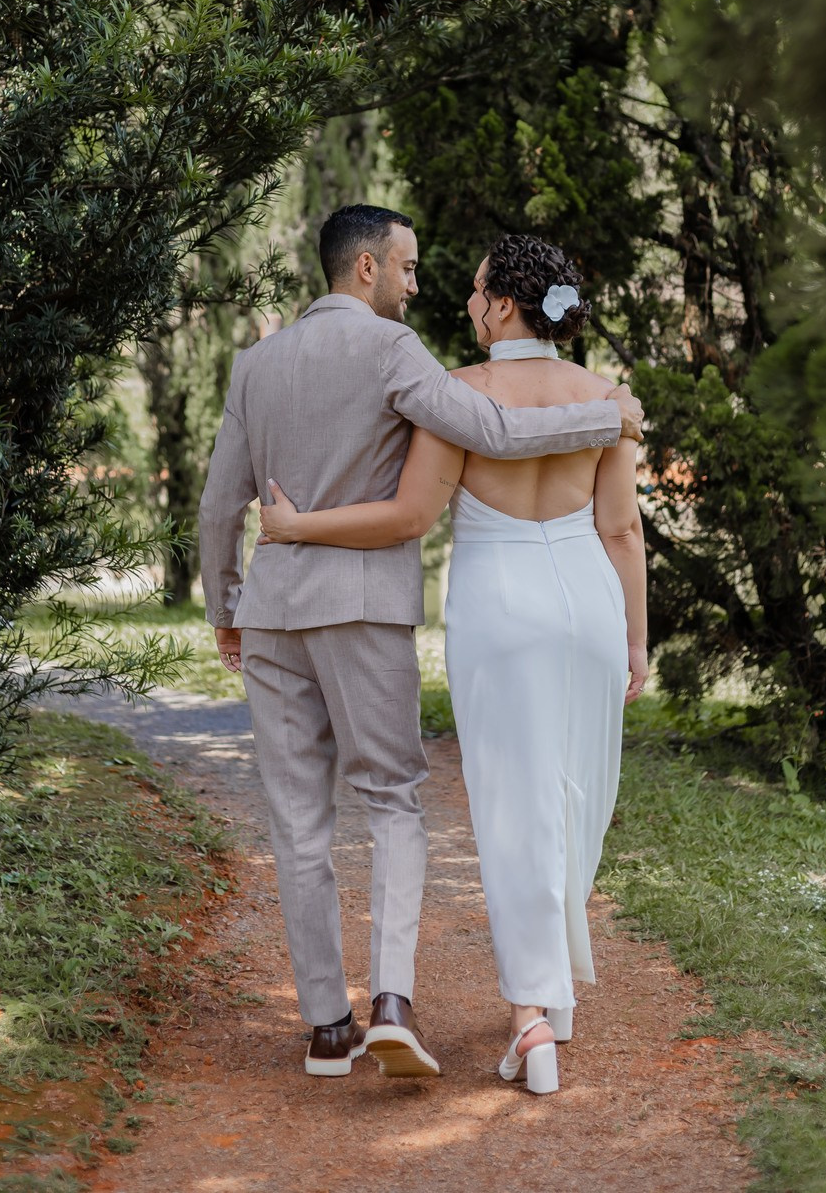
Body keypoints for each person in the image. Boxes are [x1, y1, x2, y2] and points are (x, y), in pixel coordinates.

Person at [198, 207, 643, 1081]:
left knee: (297, 819)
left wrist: (228, 606)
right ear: (365, 269)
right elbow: (501, 435)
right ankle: (392, 1002)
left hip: (275, 608)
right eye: (406, 267)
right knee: (394, 796)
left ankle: (327, 1027)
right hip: (367, 607)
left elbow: (221, 504)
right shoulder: (399, 354)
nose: (417, 284)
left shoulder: (256, 364)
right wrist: (609, 414)